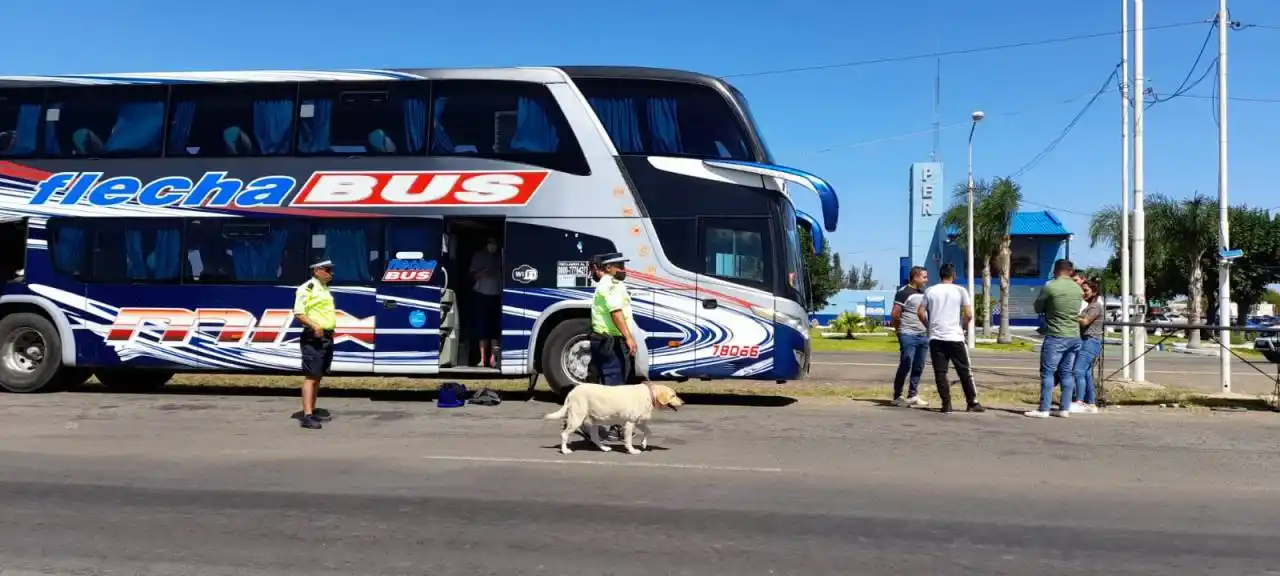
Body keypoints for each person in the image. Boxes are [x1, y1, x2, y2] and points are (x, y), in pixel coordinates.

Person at [916, 263, 985, 413]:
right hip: (955, 336)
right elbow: (968, 314)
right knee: (964, 371)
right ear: (953, 275)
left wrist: (929, 326)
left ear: (940, 275)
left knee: (940, 372)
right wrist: (964, 327)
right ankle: (971, 402)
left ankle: (946, 404)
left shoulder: (930, 291)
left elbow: (921, 312)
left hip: (936, 337)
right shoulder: (960, 290)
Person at [1028, 258, 1084, 419]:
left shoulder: (1050, 286)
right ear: (1071, 271)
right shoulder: (1078, 289)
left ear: (1056, 270)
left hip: (1056, 335)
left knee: (1047, 372)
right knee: (1067, 373)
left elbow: (1038, 307)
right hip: (1074, 335)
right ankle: (1064, 408)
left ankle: (1044, 409)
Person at [292, 258, 337, 430]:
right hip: (314, 336)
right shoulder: (307, 288)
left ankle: (312, 409)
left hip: (325, 336)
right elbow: (299, 312)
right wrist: (314, 326)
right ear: (317, 271)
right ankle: (307, 416)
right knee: (311, 376)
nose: (331, 273)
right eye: (328, 270)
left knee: (318, 375)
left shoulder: (324, 288)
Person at [589, 252, 637, 386]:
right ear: (608, 268)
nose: (623, 269)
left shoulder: (610, 283)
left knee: (603, 380)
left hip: (604, 339)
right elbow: (615, 312)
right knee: (614, 384)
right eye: (619, 266)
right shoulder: (611, 284)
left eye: (624, 265)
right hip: (611, 341)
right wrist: (628, 337)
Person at [890, 266, 930, 408]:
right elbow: (895, 314)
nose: (926, 279)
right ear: (915, 277)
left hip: (922, 335)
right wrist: (899, 330)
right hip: (907, 334)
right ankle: (897, 395)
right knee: (906, 363)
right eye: (924, 277)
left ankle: (913, 395)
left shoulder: (924, 292)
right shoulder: (903, 293)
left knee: (918, 366)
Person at [468, 237, 503, 367]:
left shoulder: (501, 256)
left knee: (494, 328)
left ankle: (494, 358)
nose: (493, 245)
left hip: (497, 295)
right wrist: (484, 272)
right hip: (481, 295)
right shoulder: (479, 256)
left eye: (494, 243)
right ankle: (482, 360)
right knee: (482, 328)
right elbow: (473, 275)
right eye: (490, 243)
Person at [1072, 279, 1104, 414]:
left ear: (1094, 292)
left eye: (1086, 290)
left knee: (1078, 371)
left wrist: (1069, 316)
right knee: (1085, 374)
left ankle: (1079, 401)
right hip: (1088, 341)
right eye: (1082, 290)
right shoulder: (1089, 306)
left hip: (1090, 341)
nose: (1083, 293)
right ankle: (1090, 403)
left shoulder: (1095, 306)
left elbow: (1085, 321)